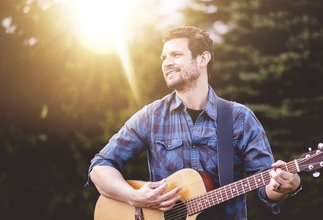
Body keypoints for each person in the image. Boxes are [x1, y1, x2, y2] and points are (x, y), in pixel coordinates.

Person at [86, 26, 302, 219]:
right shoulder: (151, 116)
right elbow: (100, 166)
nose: (167, 63)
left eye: (176, 55)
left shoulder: (239, 118)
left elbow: (267, 187)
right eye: (163, 57)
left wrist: (284, 186)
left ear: (202, 59)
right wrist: (134, 197)